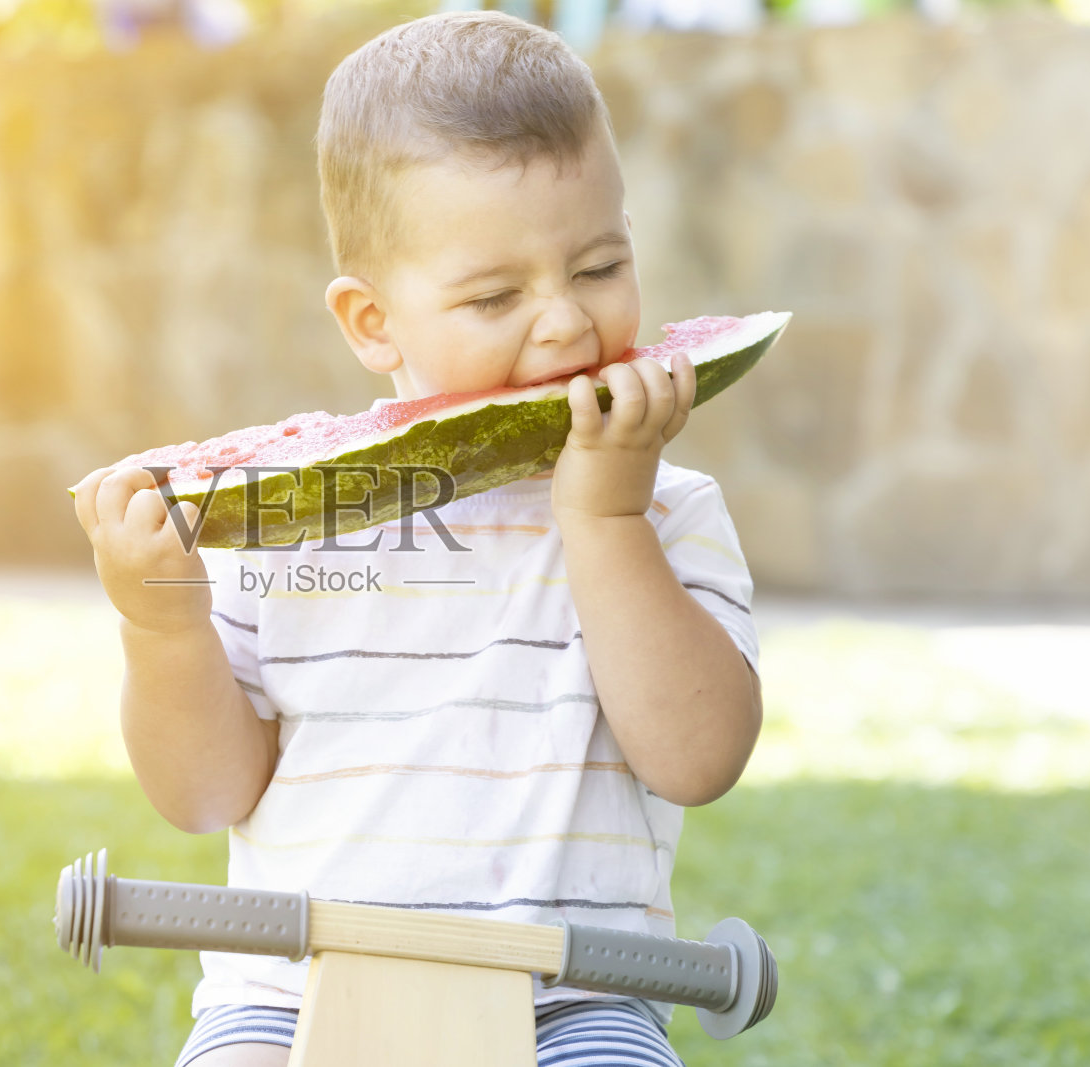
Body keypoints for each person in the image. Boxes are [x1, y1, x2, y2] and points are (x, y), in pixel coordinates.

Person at [70, 12, 762, 1065]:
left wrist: (605, 517)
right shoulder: (286, 515)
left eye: (598, 265)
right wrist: (161, 623)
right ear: (369, 321)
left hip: (575, 999)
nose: (566, 324)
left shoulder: (672, 508)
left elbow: (698, 758)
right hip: (287, 993)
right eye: (494, 294)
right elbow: (204, 793)